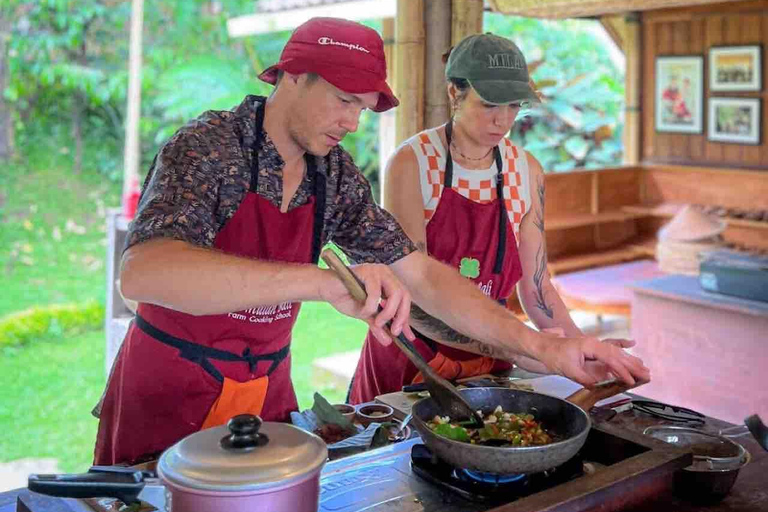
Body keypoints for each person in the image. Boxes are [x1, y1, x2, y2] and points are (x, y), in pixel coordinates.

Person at [94, 18, 649, 466]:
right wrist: (322, 282)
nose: (353, 123)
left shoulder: (331, 173)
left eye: (361, 106)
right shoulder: (211, 147)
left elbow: (423, 274)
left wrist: (547, 347)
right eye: (342, 99)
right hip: (169, 389)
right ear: (292, 76)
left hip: (264, 390)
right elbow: (143, 272)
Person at [349, 33, 639, 403]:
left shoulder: (525, 171)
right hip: (413, 357)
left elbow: (537, 288)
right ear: (455, 93)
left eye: (513, 105)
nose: (502, 120)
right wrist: (526, 348)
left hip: (494, 359)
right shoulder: (414, 162)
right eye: (488, 104)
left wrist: (582, 351)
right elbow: (414, 288)